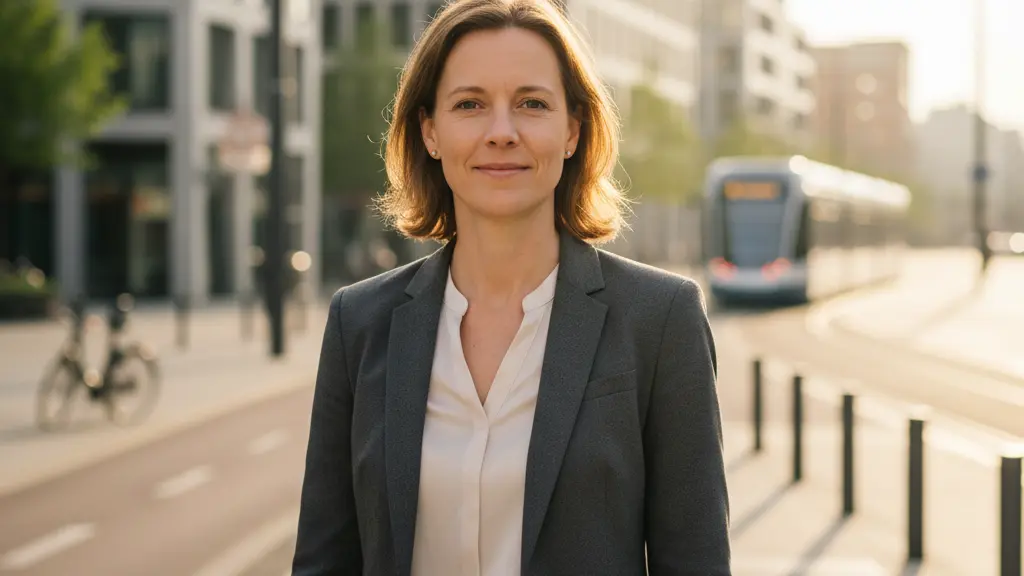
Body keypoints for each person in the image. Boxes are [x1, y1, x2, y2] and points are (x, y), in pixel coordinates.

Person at [291, 0, 731, 574]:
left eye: (532, 104)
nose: (502, 132)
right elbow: (325, 561)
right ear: (430, 132)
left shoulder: (660, 319)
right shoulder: (360, 322)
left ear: (572, 131)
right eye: (470, 105)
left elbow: (695, 561)